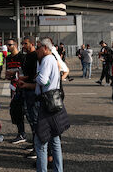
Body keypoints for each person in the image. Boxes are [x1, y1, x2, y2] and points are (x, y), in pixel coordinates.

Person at [18, 41, 70, 172]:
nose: (37, 50)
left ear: (45, 48)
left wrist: (36, 77)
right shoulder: (51, 58)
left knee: (41, 140)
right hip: (53, 101)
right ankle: (58, 169)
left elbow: (43, 80)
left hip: (46, 103)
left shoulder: (47, 59)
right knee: (55, 139)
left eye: (39, 47)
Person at [19, 36, 40, 159]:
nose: (23, 46)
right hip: (26, 89)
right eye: (22, 43)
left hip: (32, 90)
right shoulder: (26, 56)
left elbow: (34, 75)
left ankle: (38, 149)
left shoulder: (35, 56)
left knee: (35, 119)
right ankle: (34, 144)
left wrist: (24, 79)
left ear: (32, 44)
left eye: (25, 43)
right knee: (30, 118)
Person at [5, 38, 27, 144]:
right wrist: (8, 75)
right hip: (13, 87)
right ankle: (21, 133)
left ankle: (28, 134)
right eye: (7, 45)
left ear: (16, 45)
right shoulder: (8, 58)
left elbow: (25, 73)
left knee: (26, 111)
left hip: (22, 87)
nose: (8, 47)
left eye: (10, 45)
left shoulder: (22, 57)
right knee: (16, 111)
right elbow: (7, 72)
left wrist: (15, 73)